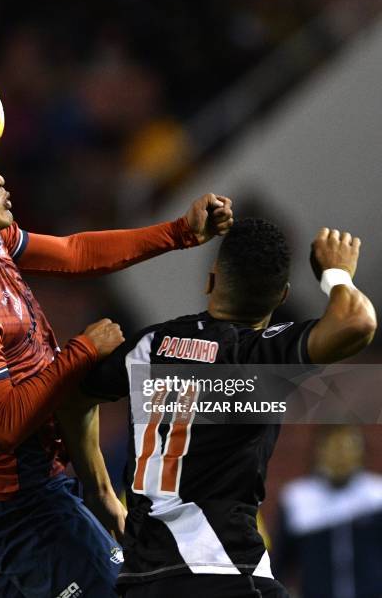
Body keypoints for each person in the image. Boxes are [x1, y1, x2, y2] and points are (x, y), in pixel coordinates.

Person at [0, 142, 233, 598]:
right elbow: (3, 426)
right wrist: (82, 351)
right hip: (20, 510)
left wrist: (179, 233)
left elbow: (73, 253)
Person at [81, 218, 377, 598]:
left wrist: (100, 489)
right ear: (282, 297)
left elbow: (75, 396)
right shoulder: (263, 356)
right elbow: (357, 322)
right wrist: (337, 275)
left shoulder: (149, 345)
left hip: (142, 578)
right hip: (223, 568)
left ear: (210, 281)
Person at [273, 425, 382, 598]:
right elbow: (281, 562)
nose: (341, 456)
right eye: (333, 447)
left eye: (348, 447)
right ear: (318, 451)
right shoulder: (298, 499)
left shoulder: (376, 496)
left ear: (361, 451)